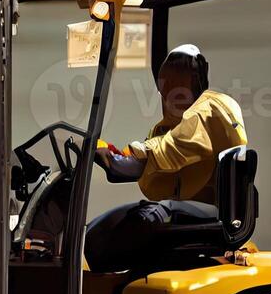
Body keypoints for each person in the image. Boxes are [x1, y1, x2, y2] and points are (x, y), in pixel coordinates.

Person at [85, 44, 247, 272]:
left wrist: (116, 158)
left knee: (139, 221)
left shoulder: (208, 111)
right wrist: (114, 152)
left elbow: (161, 153)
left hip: (211, 209)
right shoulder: (169, 127)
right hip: (193, 205)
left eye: (180, 81)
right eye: (168, 84)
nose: (172, 91)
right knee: (97, 229)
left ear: (197, 80)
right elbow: (150, 157)